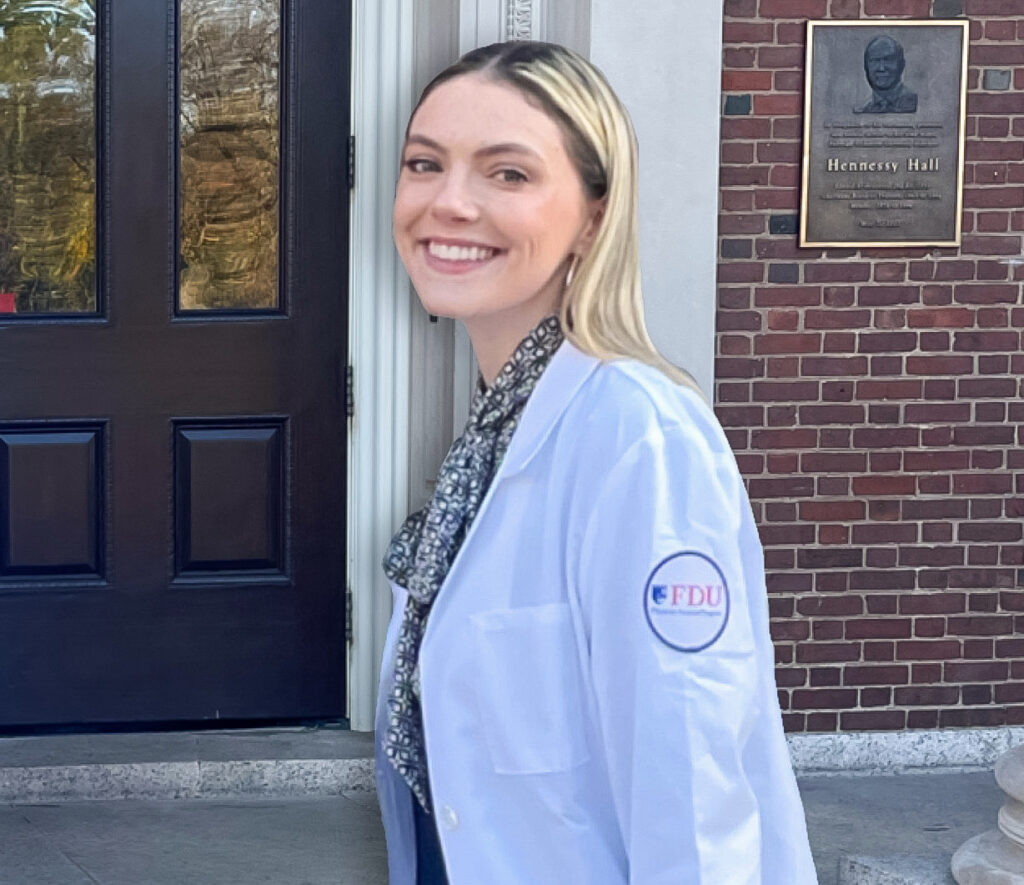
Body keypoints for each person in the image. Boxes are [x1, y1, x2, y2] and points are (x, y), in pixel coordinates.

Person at [375, 40, 818, 884]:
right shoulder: (493, 438)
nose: (449, 202)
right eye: (424, 164)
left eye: (507, 174)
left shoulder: (639, 441)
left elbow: (691, 801)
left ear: (592, 214)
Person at [855, 35, 918, 114]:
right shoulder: (862, 109)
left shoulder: (913, 102)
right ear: (866, 66)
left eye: (889, 60)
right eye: (875, 61)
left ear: (902, 65)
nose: (881, 68)